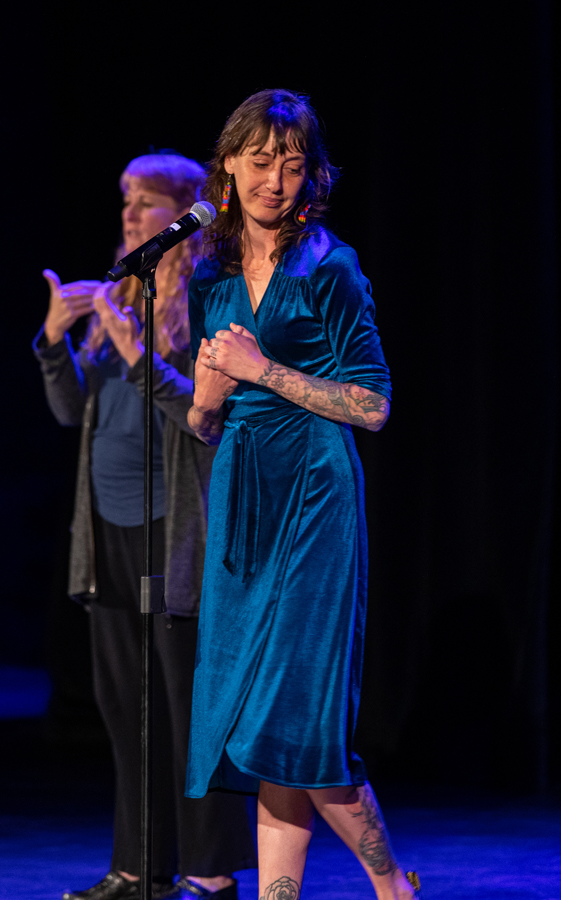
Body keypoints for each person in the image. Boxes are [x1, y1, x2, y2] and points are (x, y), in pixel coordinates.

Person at [185, 91, 422, 900]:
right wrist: (207, 402)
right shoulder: (209, 272)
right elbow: (207, 419)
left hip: (316, 499)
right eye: (260, 162)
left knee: (303, 716)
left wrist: (265, 372)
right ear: (228, 165)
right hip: (242, 497)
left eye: (292, 165)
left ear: (311, 175)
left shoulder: (331, 267)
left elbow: (375, 404)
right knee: (262, 722)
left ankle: (392, 885)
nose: (274, 181)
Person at [33, 152, 256, 900]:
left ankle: (211, 870)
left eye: (146, 203)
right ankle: (137, 865)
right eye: (125, 201)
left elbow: (208, 422)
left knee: (188, 708)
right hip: (109, 525)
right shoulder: (122, 292)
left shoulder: (207, 298)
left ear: (186, 212)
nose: (129, 216)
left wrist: (137, 355)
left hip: (178, 530)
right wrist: (54, 341)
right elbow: (72, 414)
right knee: (125, 706)